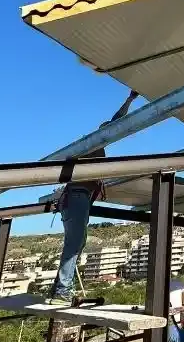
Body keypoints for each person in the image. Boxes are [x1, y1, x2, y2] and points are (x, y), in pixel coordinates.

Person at [48, 90, 138, 303]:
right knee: (75, 243)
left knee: (77, 243)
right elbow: (116, 122)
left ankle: (58, 290)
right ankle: (62, 291)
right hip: (76, 197)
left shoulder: (93, 151)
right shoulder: (93, 144)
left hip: (76, 199)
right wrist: (129, 100)